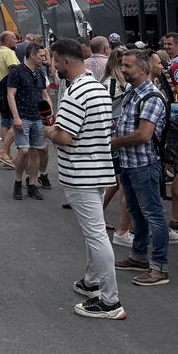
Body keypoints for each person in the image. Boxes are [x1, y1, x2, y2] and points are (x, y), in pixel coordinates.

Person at [45, 39, 124, 319]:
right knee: (96, 232)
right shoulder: (98, 88)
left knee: (96, 234)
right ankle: (92, 282)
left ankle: (110, 300)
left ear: (66, 61)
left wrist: (50, 132)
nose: (53, 65)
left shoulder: (77, 92)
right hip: (98, 169)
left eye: (54, 60)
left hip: (81, 173)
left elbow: (65, 136)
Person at [110, 49, 172, 286]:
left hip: (144, 165)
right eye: (123, 65)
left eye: (128, 66)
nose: (123, 70)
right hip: (129, 163)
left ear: (144, 70)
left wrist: (113, 142)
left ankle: (160, 268)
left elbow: (144, 134)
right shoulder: (132, 92)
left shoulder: (152, 97)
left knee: (153, 215)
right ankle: (138, 256)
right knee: (136, 213)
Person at [7, 43, 51, 201]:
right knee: (23, 151)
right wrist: (16, 117)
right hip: (23, 117)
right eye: (41, 56)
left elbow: (44, 95)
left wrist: (49, 115)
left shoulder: (39, 72)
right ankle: (17, 182)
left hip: (38, 117)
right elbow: (10, 95)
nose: (44, 58)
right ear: (32, 55)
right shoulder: (17, 72)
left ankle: (32, 185)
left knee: (35, 151)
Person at [0, 31, 20, 167]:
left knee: (5, 123)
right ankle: (4, 152)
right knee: (17, 121)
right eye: (14, 38)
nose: (17, 40)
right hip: (9, 92)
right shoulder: (9, 53)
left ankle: (6, 155)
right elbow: (14, 71)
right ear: (7, 40)